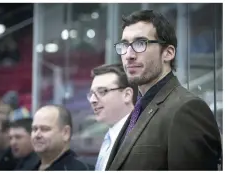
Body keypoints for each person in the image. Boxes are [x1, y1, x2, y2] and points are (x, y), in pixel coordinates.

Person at [105, 10, 222, 170]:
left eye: (140, 44)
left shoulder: (187, 109)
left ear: (168, 53)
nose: (129, 55)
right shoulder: (139, 108)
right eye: (125, 45)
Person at [87, 64, 137, 170]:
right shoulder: (110, 136)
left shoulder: (142, 137)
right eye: (91, 93)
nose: (92, 100)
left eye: (102, 91)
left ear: (127, 95)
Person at [31, 105, 93, 170]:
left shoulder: (80, 169)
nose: (37, 135)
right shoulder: (28, 166)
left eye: (45, 129)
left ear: (66, 133)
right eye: (34, 129)